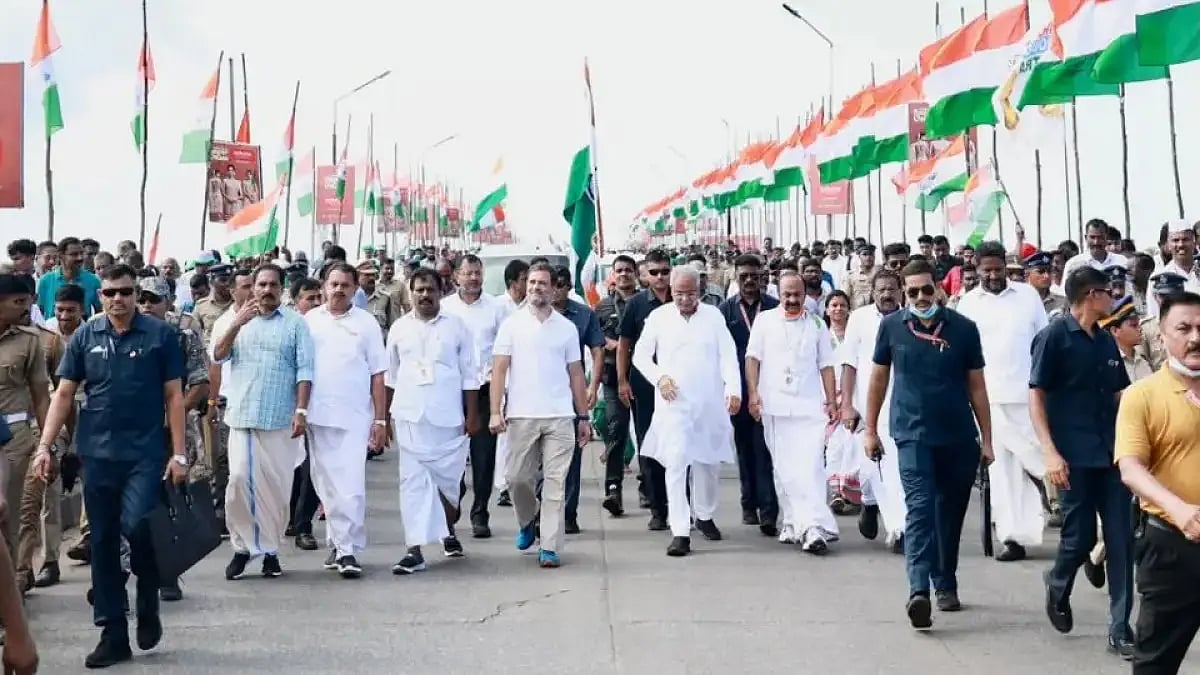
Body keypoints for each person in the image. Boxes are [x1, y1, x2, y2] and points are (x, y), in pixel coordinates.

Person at [31, 264, 187, 668]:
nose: (117, 300)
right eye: (109, 293)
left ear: (136, 294)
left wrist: (180, 453)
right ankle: (112, 633)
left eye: (125, 292)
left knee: (137, 528)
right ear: (98, 296)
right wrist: (45, 447)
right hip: (96, 454)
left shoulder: (161, 336)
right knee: (101, 544)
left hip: (145, 454)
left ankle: (148, 593)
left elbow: (173, 397)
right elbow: (64, 393)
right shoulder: (86, 335)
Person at [862, 259, 993, 630]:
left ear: (938, 288)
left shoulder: (965, 330)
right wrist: (869, 430)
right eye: (913, 291)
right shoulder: (891, 328)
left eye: (926, 289)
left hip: (958, 436)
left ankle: (945, 582)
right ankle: (918, 591)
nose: (921, 297)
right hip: (911, 435)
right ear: (905, 293)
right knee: (919, 510)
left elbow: (977, 387)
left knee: (949, 516)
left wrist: (988, 439)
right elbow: (877, 381)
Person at [1031, 266, 1134, 659]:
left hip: (1111, 456)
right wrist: (1049, 451)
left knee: (1122, 539)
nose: (1113, 298)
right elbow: (1036, 395)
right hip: (1071, 457)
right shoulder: (1054, 337)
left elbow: (1119, 396)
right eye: (1109, 292)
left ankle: (1120, 628)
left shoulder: (1105, 342)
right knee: (1081, 539)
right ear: (1092, 294)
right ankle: (1058, 582)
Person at [210, 264, 314, 581]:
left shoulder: (296, 324)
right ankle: (242, 548)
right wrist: (237, 323)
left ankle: (270, 551)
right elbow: (218, 355)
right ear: (252, 288)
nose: (266, 290)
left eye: (273, 285)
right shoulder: (233, 321)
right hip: (243, 416)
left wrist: (301, 411)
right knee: (239, 481)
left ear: (281, 289)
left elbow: (305, 370)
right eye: (261, 284)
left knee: (276, 490)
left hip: (280, 417)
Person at [1115, 291, 1200, 672]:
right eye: (1183, 328)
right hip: (1170, 547)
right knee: (1155, 664)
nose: (1195, 337)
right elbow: (1131, 468)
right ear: (1162, 337)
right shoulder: (1142, 396)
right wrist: (1179, 509)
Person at [632, 265, 740, 557]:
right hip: (674, 404)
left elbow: (728, 355)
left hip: (709, 402)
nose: (684, 300)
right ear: (671, 292)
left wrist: (733, 389)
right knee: (676, 463)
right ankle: (680, 530)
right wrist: (659, 378)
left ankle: (703, 515)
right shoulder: (659, 317)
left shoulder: (713, 317)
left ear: (700, 292)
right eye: (679, 294)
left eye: (690, 294)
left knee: (707, 462)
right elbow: (640, 355)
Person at [490, 262, 591, 568]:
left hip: (560, 416)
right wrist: (496, 411)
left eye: (543, 283)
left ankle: (548, 545)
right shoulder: (512, 324)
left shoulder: (566, 328)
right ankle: (526, 522)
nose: (536, 288)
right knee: (517, 478)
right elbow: (499, 369)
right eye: (532, 282)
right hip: (521, 415)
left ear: (553, 287)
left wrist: (583, 417)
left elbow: (576, 373)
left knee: (555, 483)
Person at [954, 241, 1049, 562]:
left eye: (998, 269)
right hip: (989, 400)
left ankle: (1070, 514)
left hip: (1029, 396)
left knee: (1041, 462)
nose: (993, 275)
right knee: (1004, 472)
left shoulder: (1027, 296)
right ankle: (1013, 537)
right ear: (976, 270)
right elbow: (961, 355)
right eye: (987, 270)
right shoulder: (967, 304)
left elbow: (1043, 342)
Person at [387, 269, 480, 574]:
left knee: (447, 484)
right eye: (419, 291)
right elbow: (390, 376)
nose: (425, 295)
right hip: (410, 416)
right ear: (411, 293)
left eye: (431, 290)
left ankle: (447, 529)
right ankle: (413, 550)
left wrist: (472, 415)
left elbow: (470, 375)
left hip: (447, 417)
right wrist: (383, 418)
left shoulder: (458, 327)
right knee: (412, 483)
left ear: (442, 293)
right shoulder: (399, 329)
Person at [303, 264, 387, 578]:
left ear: (355, 289)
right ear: (324, 287)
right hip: (318, 415)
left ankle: (349, 550)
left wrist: (380, 420)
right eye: (333, 284)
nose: (339, 290)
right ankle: (339, 545)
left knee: (350, 486)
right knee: (325, 487)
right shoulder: (310, 322)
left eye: (345, 285)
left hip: (355, 417)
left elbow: (378, 375)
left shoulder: (366, 324)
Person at [746, 271, 839, 551]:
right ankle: (791, 521)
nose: (791, 300)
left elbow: (826, 364)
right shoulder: (765, 321)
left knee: (810, 467)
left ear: (805, 294)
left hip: (810, 406)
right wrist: (753, 394)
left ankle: (813, 527)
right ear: (779, 294)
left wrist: (832, 401)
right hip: (774, 406)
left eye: (797, 295)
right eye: (786, 295)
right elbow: (752, 359)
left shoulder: (816, 324)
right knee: (785, 469)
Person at [133, 276, 210, 602]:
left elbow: (200, 383)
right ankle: (122, 575)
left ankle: (168, 574)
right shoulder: (125, 333)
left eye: (154, 300)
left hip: (172, 434)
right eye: (144, 299)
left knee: (167, 505)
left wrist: (171, 418)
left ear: (168, 303)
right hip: (133, 433)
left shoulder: (183, 335)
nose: (148, 306)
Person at [17, 284, 84, 591]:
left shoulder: (49, 342)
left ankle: (49, 560)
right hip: (11, 431)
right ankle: (21, 566)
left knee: (48, 498)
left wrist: (65, 439)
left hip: (44, 427)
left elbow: (63, 393)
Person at [840, 269, 907, 554]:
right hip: (868, 406)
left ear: (900, 290)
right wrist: (845, 404)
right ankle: (868, 504)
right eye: (881, 289)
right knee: (874, 467)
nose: (887, 294)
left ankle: (898, 528)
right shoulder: (859, 319)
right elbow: (848, 363)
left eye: (892, 288)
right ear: (873, 292)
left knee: (896, 471)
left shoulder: (911, 318)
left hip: (903, 405)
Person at [441, 254, 506, 539]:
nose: (473, 279)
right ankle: (451, 509)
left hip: (484, 389)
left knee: (483, 457)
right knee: (452, 455)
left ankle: (480, 512)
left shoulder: (496, 308)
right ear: (457, 276)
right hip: (452, 391)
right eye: (467, 273)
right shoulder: (445, 309)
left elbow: (506, 348)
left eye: (477, 273)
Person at [718, 254, 779, 533]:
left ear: (762, 276)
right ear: (736, 277)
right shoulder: (725, 311)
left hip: (769, 388)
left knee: (764, 449)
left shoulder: (774, 309)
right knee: (744, 448)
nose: (750, 281)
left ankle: (768, 511)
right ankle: (748, 504)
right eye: (744, 276)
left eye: (755, 276)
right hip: (738, 391)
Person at [617, 250, 673, 531]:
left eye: (665, 271)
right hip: (644, 385)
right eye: (654, 272)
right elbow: (624, 346)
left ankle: (681, 507)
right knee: (649, 447)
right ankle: (657, 509)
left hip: (678, 387)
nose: (660, 278)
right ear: (645, 275)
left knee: (680, 447)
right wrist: (622, 381)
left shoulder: (684, 299)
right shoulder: (637, 304)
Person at [549, 266, 604, 534]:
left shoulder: (582, 315)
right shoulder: (529, 315)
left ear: (569, 287)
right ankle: (541, 509)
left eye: (562, 284)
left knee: (572, 456)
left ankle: (569, 513)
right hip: (539, 396)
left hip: (572, 394)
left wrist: (593, 385)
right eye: (553, 283)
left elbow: (597, 350)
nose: (557, 289)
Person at [593, 255, 638, 516]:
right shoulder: (602, 307)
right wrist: (615, 345)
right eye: (619, 270)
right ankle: (613, 489)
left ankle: (649, 488)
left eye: (628, 270)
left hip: (642, 377)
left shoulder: (647, 303)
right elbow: (596, 342)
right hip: (613, 378)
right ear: (613, 274)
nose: (624, 275)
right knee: (616, 429)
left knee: (647, 435)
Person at [284, 278, 322, 550]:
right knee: (289, 469)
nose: (316, 302)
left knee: (311, 469)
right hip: (286, 406)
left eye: (319, 297)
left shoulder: (329, 325)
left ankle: (303, 525)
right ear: (296, 301)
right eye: (310, 298)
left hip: (319, 408)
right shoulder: (287, 326)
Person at [35, 236, 101, 319]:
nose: (80, 258)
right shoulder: (46, 280)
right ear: (61, 256)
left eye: (81, 253)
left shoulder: (93, 280)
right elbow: (40, 310)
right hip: (52, 330)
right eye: (74, 254)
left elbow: (100, 312)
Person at [1023, 251, 1068, 320]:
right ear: (1027, 274)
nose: (1046, 276)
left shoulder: (1063, 302)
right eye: (1040, 272)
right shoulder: (1020, 301)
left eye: (1049, 271)